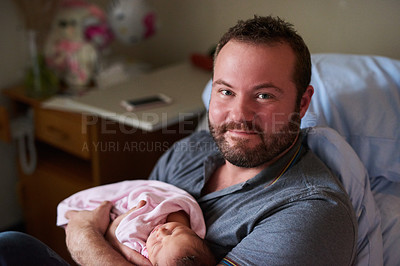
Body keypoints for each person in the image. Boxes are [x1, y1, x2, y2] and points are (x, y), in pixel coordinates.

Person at [0, 15, 357, 265]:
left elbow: (98, 229)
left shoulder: (310, 212)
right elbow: (127, 219)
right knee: (10, 246)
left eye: (264, 96)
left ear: (303, 101)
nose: (239, 115)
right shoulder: (192, 150)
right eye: (226, 91)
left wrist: (82, 238)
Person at [56, 180, 215, 266]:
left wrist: (112, 234)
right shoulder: (185, 222)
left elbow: (121, 232)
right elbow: (157, 202)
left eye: (157, 244)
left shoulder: (145, 256)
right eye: (174, 231)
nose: (161, 232)